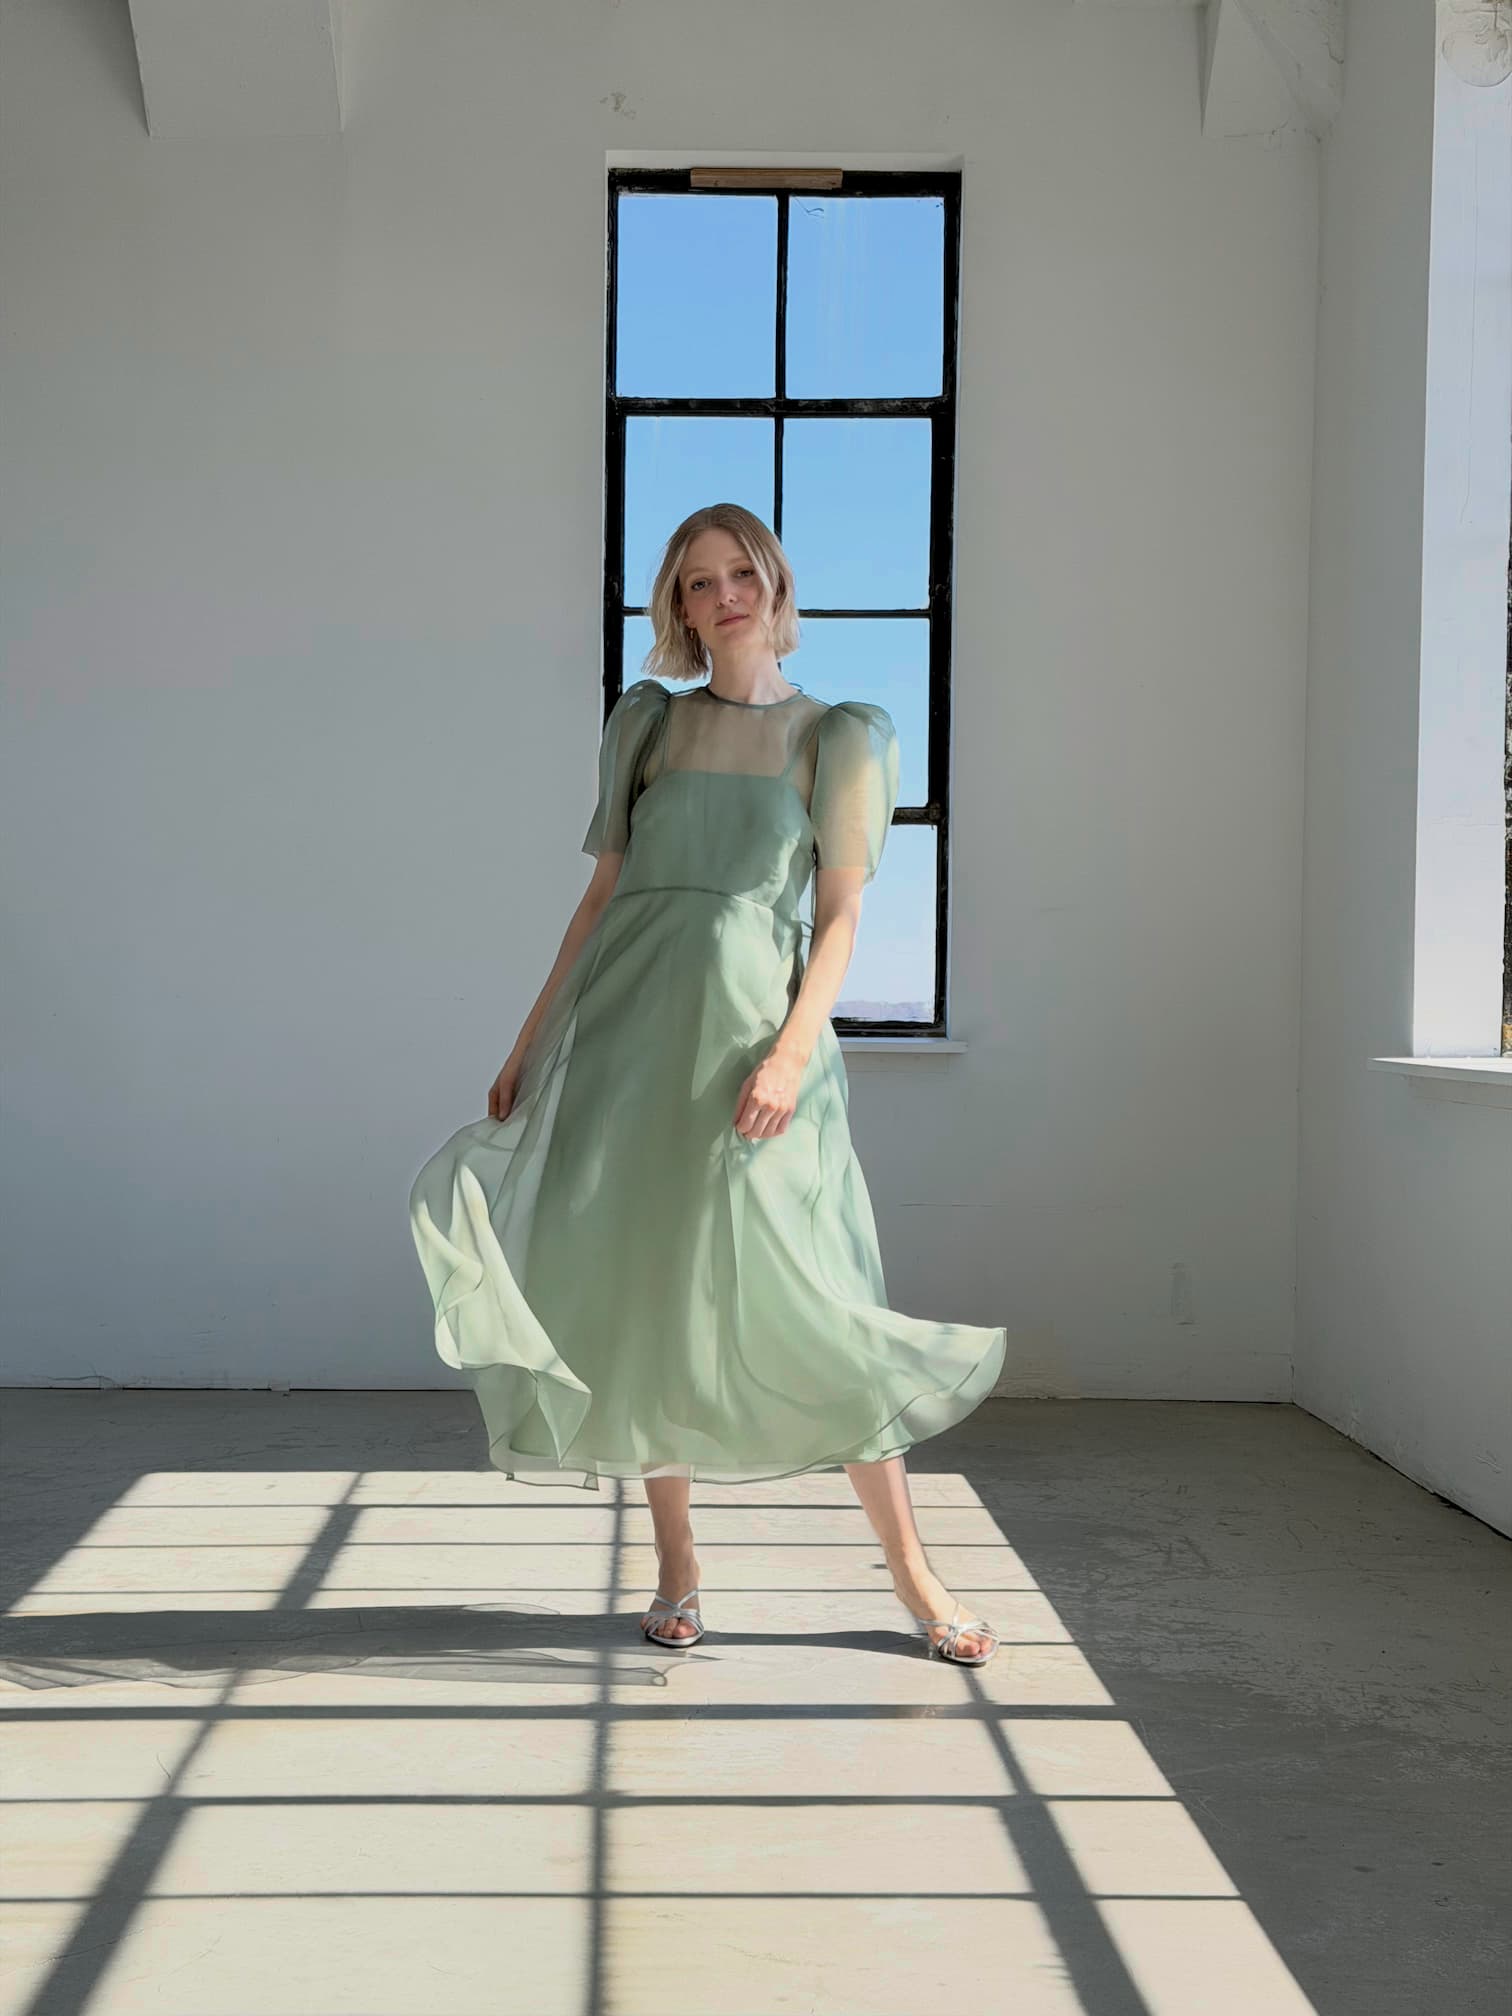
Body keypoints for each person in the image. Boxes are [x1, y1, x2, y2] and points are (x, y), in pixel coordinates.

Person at [408, 503, 1007, 1665]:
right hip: (630, 1039)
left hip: (755, 1046)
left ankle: (916, 1574)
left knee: (822, 1301)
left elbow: (838, 920)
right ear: (677, 607)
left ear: (776, 586)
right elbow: (600, 901)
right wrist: (530, 1041)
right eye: (697, 582)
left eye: (741, 573)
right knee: (646, 1297)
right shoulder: (647, 724)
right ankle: (679, 1564)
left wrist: (790, 1052)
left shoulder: (840, 735)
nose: (723, 595)